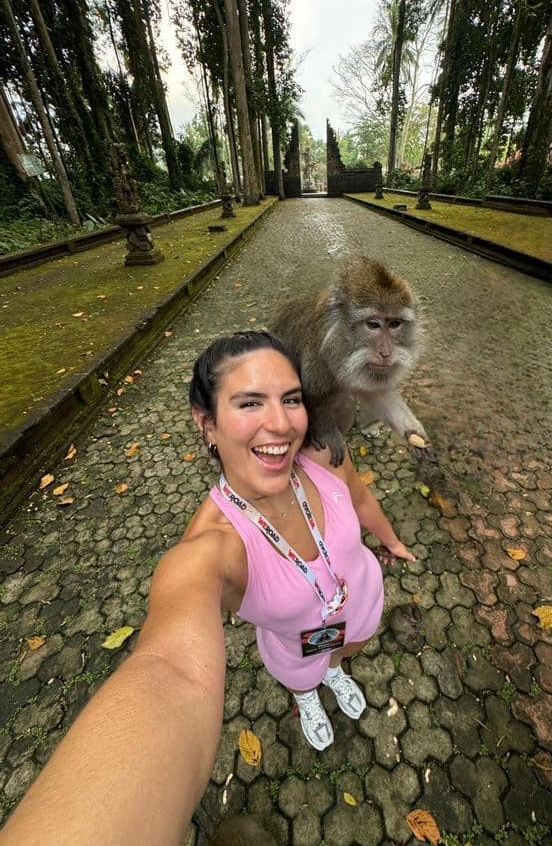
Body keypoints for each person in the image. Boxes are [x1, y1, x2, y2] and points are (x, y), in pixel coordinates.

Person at [1, 331, 414, 844]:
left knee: (339, 654)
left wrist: (391, 540)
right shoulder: (211, 548)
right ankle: (308, 693)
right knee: (306, 672)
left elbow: (360, 498)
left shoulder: (324, 454)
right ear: (207, 425)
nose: (281, 424)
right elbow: (169, 669)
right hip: (297, 646)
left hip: (362, 608)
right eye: (248, 404)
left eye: (290, 399)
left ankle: (333, 671)